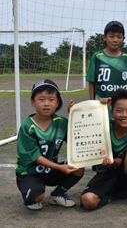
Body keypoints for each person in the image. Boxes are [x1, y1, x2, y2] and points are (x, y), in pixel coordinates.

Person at [80, 88, 127, 211]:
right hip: (105, 175)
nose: (124, 115)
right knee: (87, 201)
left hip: (125, 175)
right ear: (112, 113)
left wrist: (113, 162)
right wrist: (101, 108)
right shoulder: (103, 125)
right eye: (119, 111)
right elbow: (86, 124)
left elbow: (125, 162)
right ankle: (115, 195)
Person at [15, 79, 84, 210]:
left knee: (78, 167)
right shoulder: (27, 127)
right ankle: (31, 189)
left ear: (58, 102)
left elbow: (76, 139)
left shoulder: (61, 122)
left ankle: (57, 195)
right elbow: (35, 157)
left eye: (51, 99)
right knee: (37, 197)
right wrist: (59, 167)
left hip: (50, 170)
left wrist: (74, 115)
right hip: (30, 172)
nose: (46, 103)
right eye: (41, 99)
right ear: (32, 102)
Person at [86, 21, 127, 107]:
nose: (115, 40)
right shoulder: (97, 57)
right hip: (101, 103)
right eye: (111, 36)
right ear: (104, 37)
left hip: (120, 104)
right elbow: (91, 81)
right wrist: (92, 103)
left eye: (119, 37)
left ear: (123, 39)